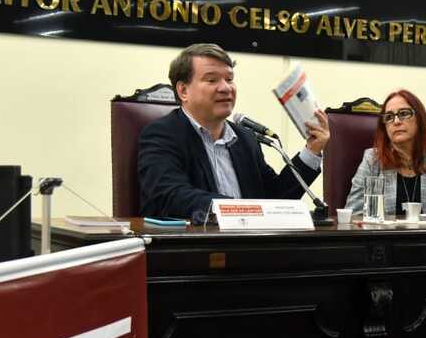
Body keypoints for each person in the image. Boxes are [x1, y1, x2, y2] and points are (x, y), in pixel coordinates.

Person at [138, 43, 330, 220]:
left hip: (246, 247)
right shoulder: (162, 135)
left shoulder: (245, 138)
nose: (226, 88)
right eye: (212, 80)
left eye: (230, 79)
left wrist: (311, 150)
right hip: (193, 249)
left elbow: (275, 197)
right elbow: (170, 196)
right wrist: (236, 210)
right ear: (183, 91)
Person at [345, 89, 426, 216]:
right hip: (381, 234)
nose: (396, 121)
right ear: (384, 127)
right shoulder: (373, 159)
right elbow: (353, 212)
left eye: (404, 113)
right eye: (389, 117)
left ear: (419, 119)